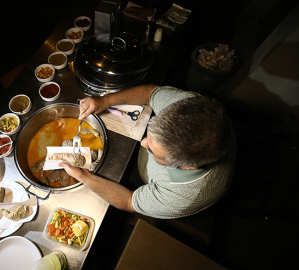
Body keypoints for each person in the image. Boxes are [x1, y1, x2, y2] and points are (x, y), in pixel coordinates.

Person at [59, 84, 236, 219]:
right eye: (149, 135)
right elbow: (150, 93)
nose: (142, 143)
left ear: (187, 167)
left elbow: (129, 201)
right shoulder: (190, 107)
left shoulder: (180, 197)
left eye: (152, 150)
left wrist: (84, 177)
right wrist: (106, 101)